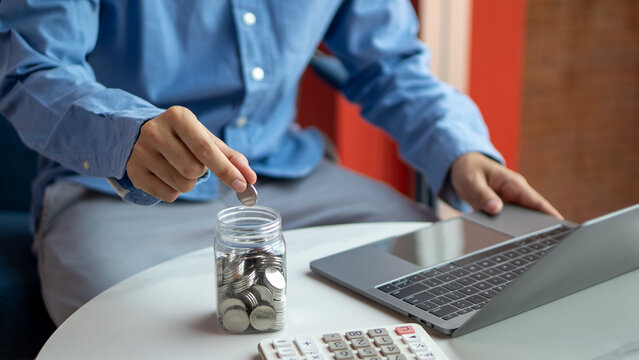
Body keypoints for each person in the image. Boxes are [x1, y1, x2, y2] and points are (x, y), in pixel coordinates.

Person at [0, 1, 561, 326]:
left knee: (449, 286)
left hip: (294, 179)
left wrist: (460, 150)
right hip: (117, 193)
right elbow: (31, 69)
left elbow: (390, 64)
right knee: (127, 334)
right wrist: (127, 132)